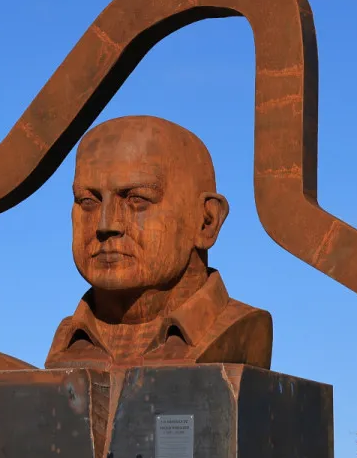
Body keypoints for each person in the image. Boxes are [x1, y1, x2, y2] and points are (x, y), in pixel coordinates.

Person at [44, 115, 271, 370]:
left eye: (137, 199)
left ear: (206, 221)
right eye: (88, 201)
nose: (105, 225)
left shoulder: (237, 329)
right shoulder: (65, 343)